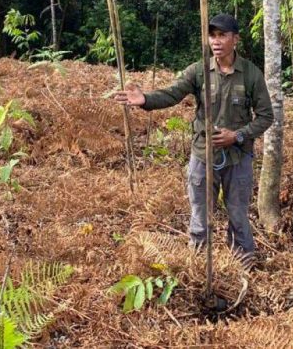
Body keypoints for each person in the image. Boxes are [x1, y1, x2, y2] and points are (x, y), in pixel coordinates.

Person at [113, 14, 273, 263]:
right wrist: (145, 100)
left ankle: (244, 265)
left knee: (239, 216)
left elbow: (265, 116)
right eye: (213, 36)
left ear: (235, 39)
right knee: (200, 217)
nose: (216, 41)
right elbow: (172, 93)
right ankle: (197, 267)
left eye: (222, 35)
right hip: (202, 155)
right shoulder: (199, 71)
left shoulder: (251, 74)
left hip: (238, 158)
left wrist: (238, 135)